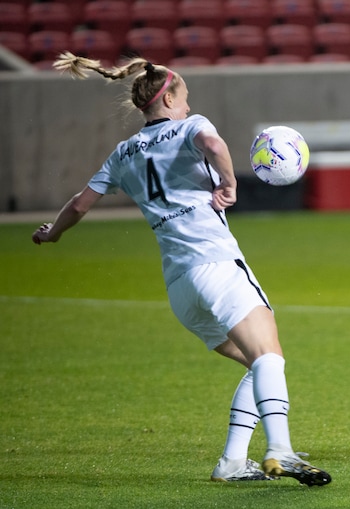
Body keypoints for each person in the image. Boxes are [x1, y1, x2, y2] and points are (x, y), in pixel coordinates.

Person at [31, 52, 331, 486]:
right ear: (168, 98)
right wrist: (229, 184)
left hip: (179, 287)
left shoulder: (122, 153)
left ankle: (231, 463)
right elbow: (213, 145)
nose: (189, 106)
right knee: (269, 358)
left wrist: (53, 233)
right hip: (217, 266)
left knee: (258, 364)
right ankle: (281, 451)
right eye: (185, 98)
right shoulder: (191, 126)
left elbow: (80, 204)